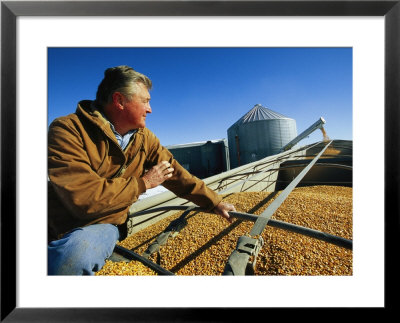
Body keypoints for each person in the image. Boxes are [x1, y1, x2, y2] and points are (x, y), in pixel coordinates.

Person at [48, 65, 236, 275]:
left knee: (74, 257)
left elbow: (176, 174)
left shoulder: (144, 138)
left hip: (102, 225)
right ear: (119, 101)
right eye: (145, 101)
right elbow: (82, 197)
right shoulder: (68, 130)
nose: (150, 109)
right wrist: (143, 183)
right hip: (57, 223)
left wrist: (214, 202)